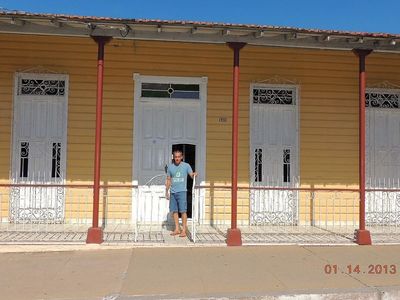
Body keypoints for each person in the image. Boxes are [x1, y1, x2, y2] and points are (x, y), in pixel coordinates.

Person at [165, 149, 197, 237]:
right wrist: (166, 191)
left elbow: (191, 175)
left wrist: (194, 174)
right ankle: (177, 229)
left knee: (183, 211)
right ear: (173, 157)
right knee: (174, 211)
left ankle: (184, 230)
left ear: (182, 157)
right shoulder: (170, 167)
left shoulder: (186, 166)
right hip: (173, 192)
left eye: (179, 157)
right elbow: (168, 180)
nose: (177, 158)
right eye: (175, 157)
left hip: (182, 191)